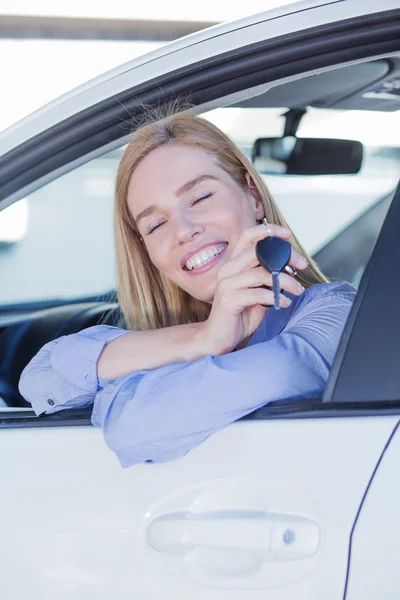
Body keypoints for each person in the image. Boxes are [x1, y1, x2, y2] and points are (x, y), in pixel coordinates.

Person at [19, 112, 356, 468]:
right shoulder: (179, 335)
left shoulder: (334, 313)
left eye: (200, 197)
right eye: (157, 224)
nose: (183, 230)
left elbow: (133, 428)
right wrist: (205, 339)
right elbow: (41, 379)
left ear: (254, 196)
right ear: (146, 252)